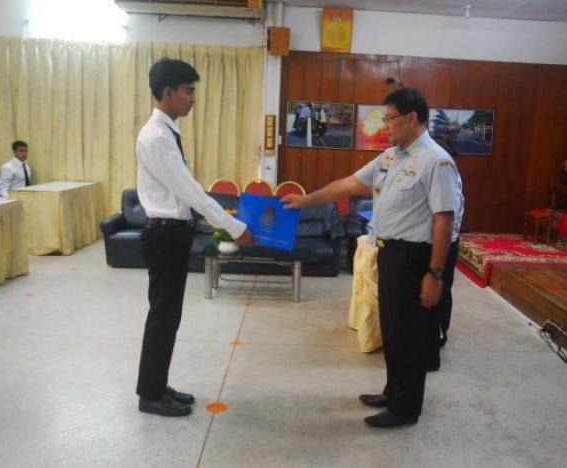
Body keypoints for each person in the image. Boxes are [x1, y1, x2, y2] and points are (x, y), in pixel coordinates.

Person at [282, 87, 464, 428]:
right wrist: (306, 200)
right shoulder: (391, 156)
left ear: (412, 118)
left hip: (416, 257)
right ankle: (393, 391)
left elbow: (444, 220)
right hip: (390, 252)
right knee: (392, 329)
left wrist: (435, 273)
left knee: (410, 334)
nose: (385, 125)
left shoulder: (436, 161)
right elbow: (351, 183)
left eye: (390, 118)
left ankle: (406, 408)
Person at [135, 57, 253, 417]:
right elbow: (191, 192)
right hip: (165, 235)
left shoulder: (166, 132)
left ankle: (157, 386)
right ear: (168, 91)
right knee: (163, 316)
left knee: (168, 316)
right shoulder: (157, 137)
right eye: (188, 91)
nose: (192, 99)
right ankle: (150, 395)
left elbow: (183, 193)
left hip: (172, 232)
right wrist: (234, 227)